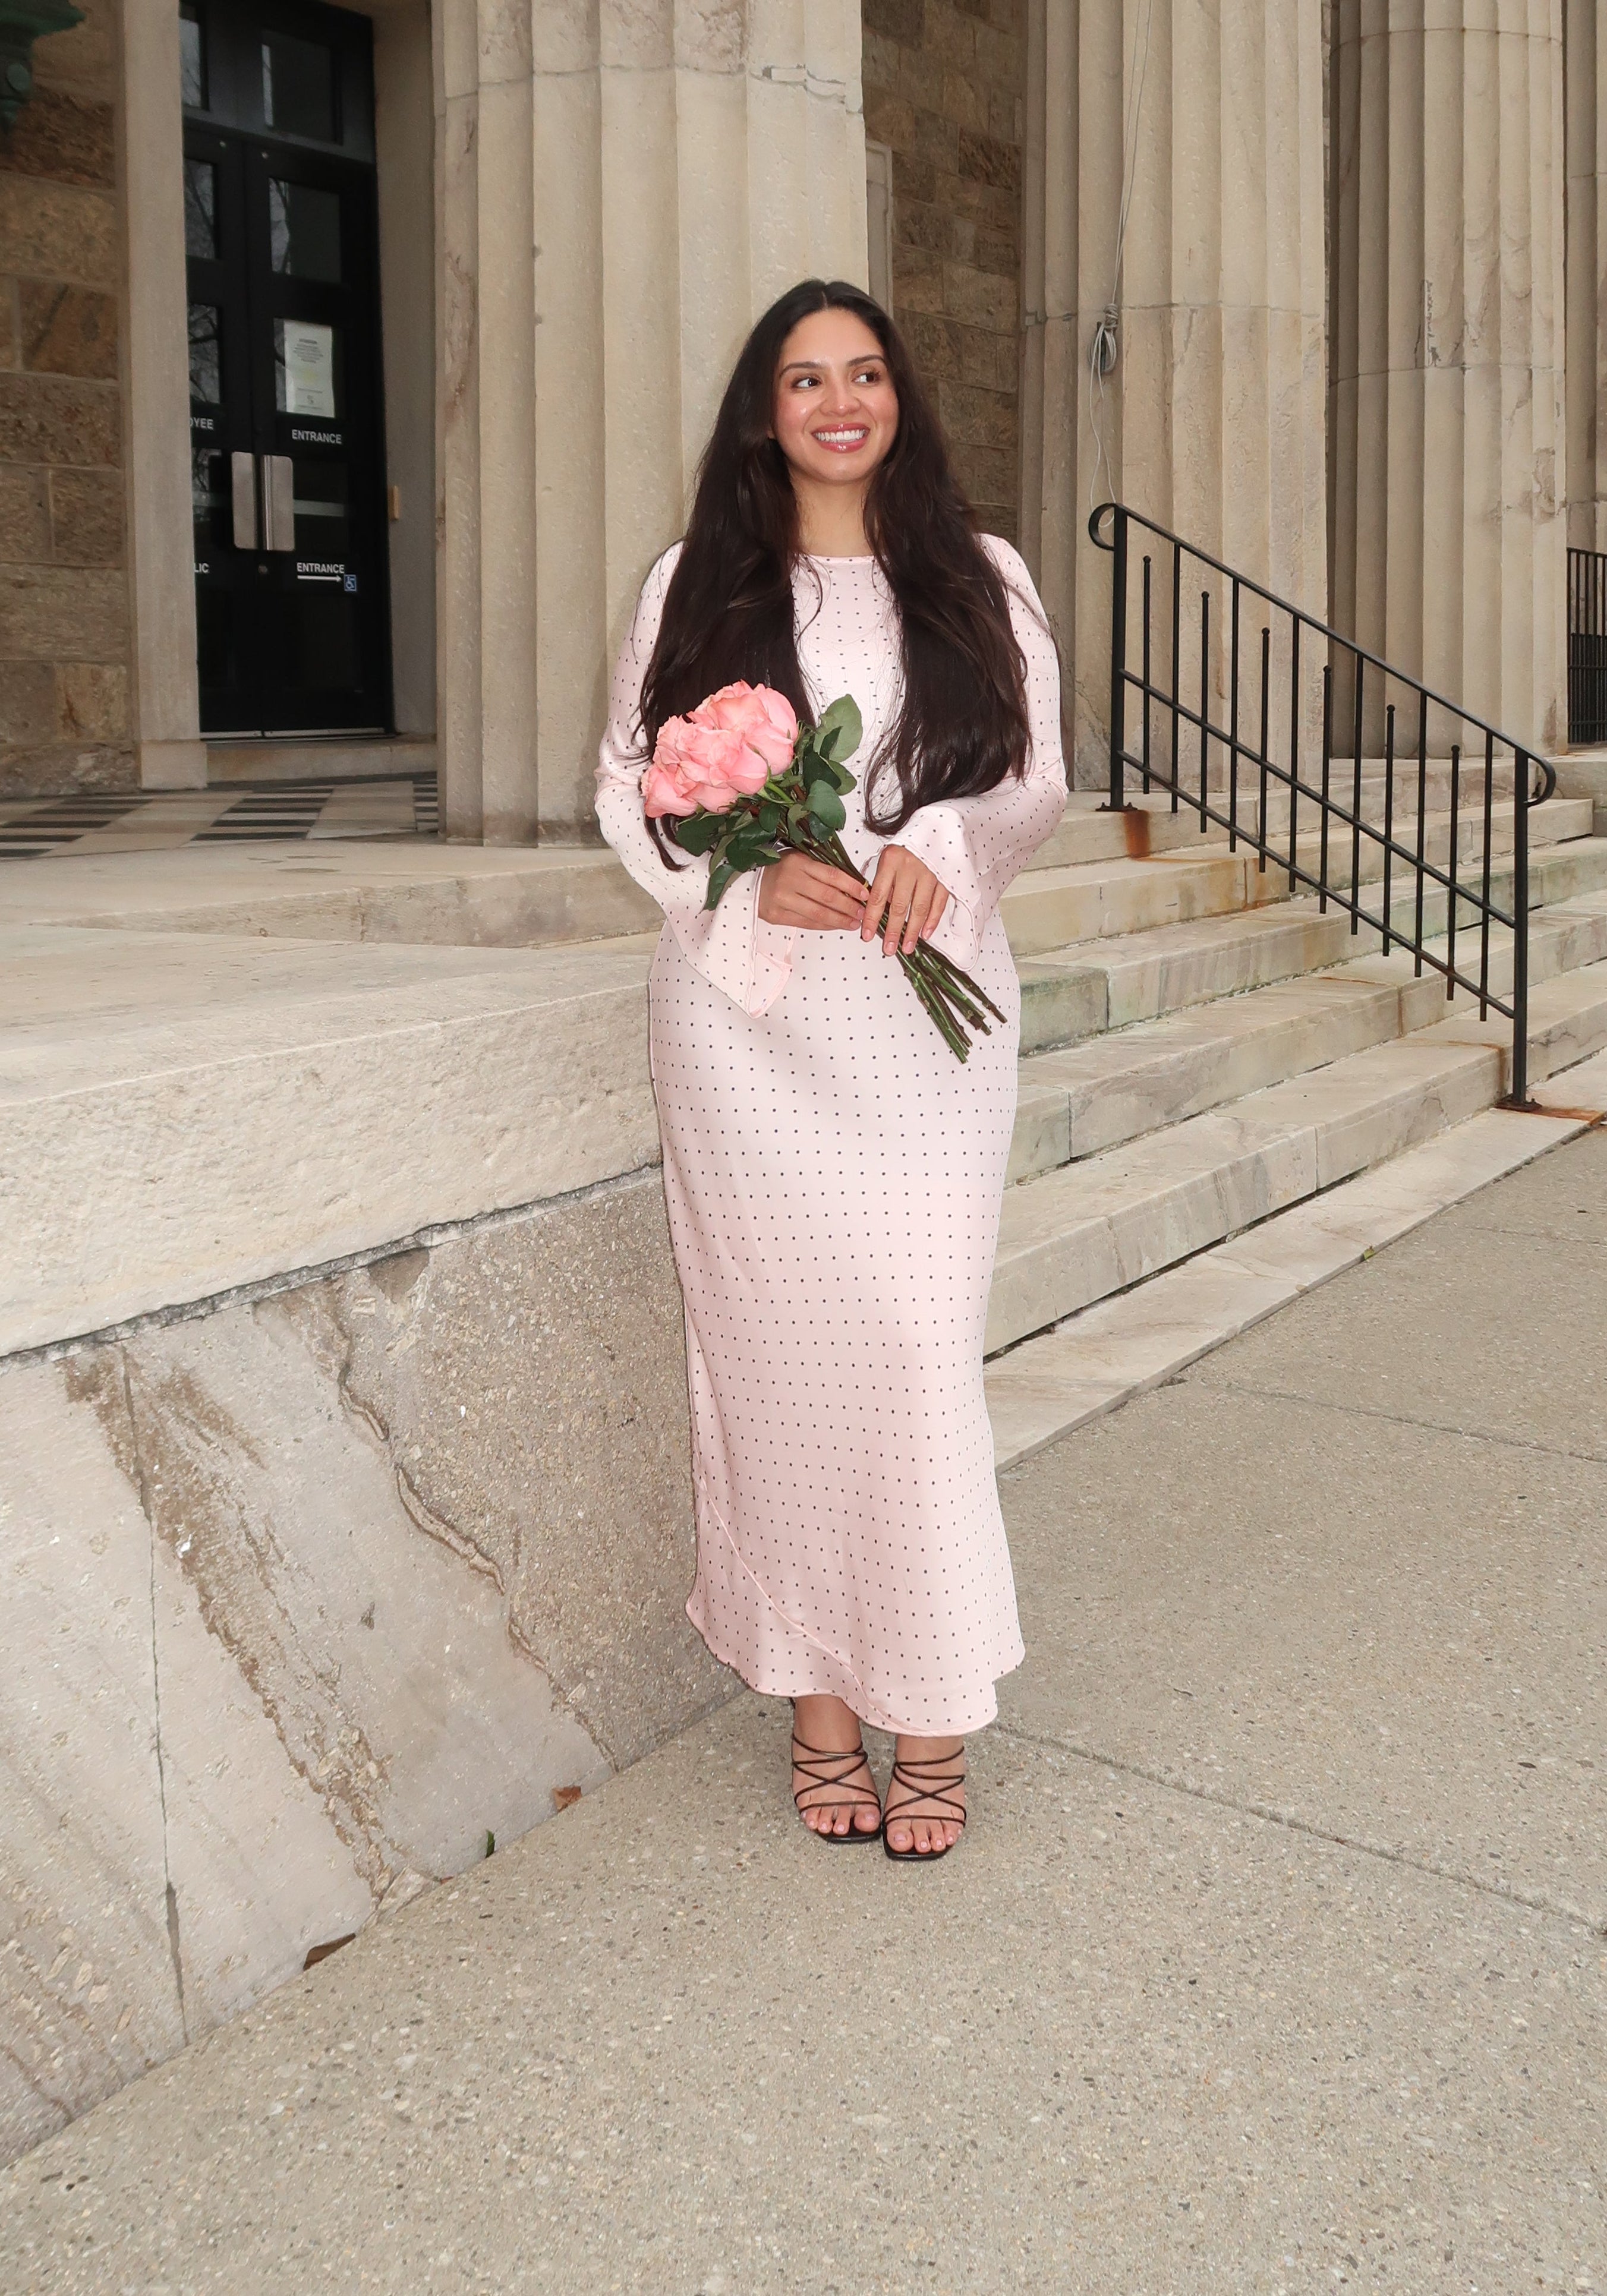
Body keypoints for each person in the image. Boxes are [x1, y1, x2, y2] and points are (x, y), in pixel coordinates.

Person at [595, 279, 1066, 1860]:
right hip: (749, 1028)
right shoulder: (695, 585)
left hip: (926, 1032)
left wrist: (938, 838)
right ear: (762, 412)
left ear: (899, 399)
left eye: (864, 373)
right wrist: (735, 875)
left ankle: (927, 1712)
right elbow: (629, 784)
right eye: (806, 380)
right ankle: (813, 1706)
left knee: (916, 1361)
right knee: (778, 1370)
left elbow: (1034, 780)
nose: (839, 401)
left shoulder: (978, 577)